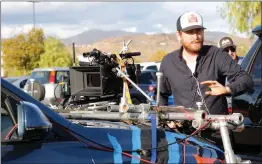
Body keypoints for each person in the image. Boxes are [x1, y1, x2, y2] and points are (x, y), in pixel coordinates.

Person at [159, 11, 254, 115]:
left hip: (217, 129)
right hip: (182, 130)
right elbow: (161, 94)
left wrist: (227, 89)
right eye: (190, 32)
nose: (196, 36)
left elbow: (246, 80)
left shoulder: (217, 55)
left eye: (199, 31)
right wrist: (166, 118)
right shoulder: (168, 62)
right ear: (179, 35)